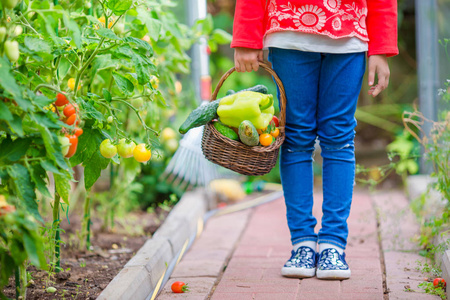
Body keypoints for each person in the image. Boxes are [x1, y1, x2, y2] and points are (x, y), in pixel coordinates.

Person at [231, 0, 398, 280]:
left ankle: (333, 243)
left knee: (339, 139)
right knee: (296, 138)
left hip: (349, 36)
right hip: (289, 34)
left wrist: (382, 47)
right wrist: (247, 37)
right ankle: (302, 244)